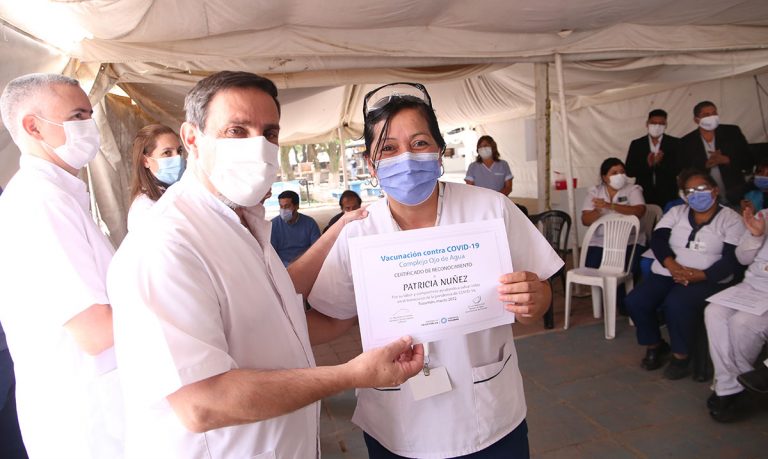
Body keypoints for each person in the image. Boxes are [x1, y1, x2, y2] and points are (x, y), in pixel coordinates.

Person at [106, 71, 423, 458]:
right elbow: (201, 403)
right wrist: (351, 374)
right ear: (192, 138)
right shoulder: (166, 244)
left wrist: (379, 293)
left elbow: (275, 295)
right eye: (237, 131)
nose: (258, 147)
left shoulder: (243, 221)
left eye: (269, 133)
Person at [307, 82, 563, 458]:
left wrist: (535, 300)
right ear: (370, 164)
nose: (406, 158)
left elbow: (537, 296)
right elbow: (334, 318)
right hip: (398, 423)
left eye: (420, 143)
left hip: (487, 416)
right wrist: (269, 330)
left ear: (440, 151)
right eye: (388, 148)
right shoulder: (357, 232)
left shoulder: (491, 210)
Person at [0, 73, 122, 457]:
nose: (89, 127)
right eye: (76, 117)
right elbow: (95, 330)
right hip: (87, 422)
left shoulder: (59, 195)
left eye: (89, 115)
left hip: (100, 409)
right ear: (33, 127)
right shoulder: (40, 202)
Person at [625, 169, 744, 380]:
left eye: (701, 188)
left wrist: (703, 275)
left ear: (715, 190)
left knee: (677, 303)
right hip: (668, 272)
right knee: (636, 301)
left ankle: (681, 355)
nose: (695, 194)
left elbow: (732, 259)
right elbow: (659, 240)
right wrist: (671, 264)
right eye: (689, 191)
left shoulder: (731, 219)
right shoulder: (676, 212)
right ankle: (655, 345)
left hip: (708, 278)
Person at [705, 206, 768, 422]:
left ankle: (730, 389)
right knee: (714, 312)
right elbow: (742, 259)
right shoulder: (764, 216)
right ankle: (732, 385)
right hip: (752, 287)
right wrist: (755, 235)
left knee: (742, 323)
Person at [581, 157, 647, 310]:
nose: (620, 176)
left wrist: (610, 205)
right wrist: (598, 210)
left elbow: (639, 211)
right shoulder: (595, 192)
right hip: (601, 242)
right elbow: (585, 220)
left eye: (622, 172)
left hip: (629, 242)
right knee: (593, 268)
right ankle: (606, 301)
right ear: (605, 177)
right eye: (614, 172)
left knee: (623, 271)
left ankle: (624, 302)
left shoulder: (633, 189)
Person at [680, 101, 753, 207]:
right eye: (706, 115)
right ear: (696, 120)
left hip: (736, 195)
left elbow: (749, 161)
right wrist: (705, 165)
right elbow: (685, 171)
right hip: (706, 199)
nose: (711, 117)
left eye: (714, 113)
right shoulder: (687, 141)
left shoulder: (732, 132)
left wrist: (727, 160)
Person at [126, 124, 185, 231]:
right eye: (167, 153)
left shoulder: (175, 194)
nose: (177, 158)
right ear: (145, 161)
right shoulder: (144, 209)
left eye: (179, 151)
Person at [625, 109, 682, 208]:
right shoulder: (637, 144)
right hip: (643, 193)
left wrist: (660, 163)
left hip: (668, 192)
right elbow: (629, 171)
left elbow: (679, 169)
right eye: (654, 123)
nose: (657, 126)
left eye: (661, 123)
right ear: (647, 124)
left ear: (666, 125)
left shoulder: (675, 143)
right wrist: (648, 164)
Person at [271, 189, 321, 266]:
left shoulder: (310, 223)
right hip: (282, 267)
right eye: (281, 206)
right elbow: (271, 253)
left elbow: (317, 248)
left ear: (297, 206)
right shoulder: (273, 225)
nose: (283, 210)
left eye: (287, 206)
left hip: (306, 264)